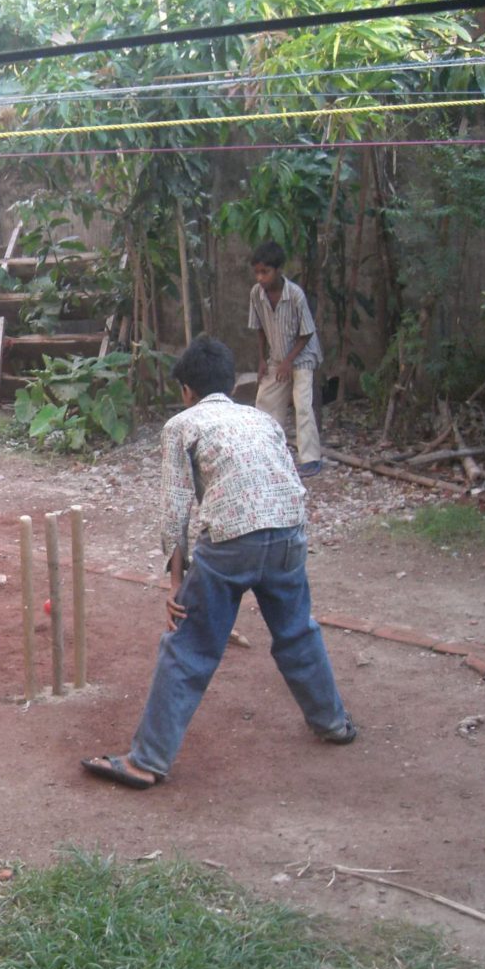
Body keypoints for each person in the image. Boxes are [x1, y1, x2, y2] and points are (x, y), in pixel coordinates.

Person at [81, 336, 356, 791]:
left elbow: (175, 509)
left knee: (187, 647)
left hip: (231, 542)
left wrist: (174, 584)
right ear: (231, 383)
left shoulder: (182, 424)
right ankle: (333, 723)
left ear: (186, 390)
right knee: (296, 633)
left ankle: (146, 761)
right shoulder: (260, 418)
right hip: (290, 534)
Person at [248, 241, 323, 477]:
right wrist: (262, 359)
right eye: (257, 272)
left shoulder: (296, 295)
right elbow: (258, 327)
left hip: (302, 357)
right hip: (277, 357)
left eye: (265, 272)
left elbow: (307, 332)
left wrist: (289, 362)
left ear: (278, 270)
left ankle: (310, 459)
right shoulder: (256, 294)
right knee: (265, 402)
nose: (260, 277)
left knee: (302, 405)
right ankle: (266, 453)